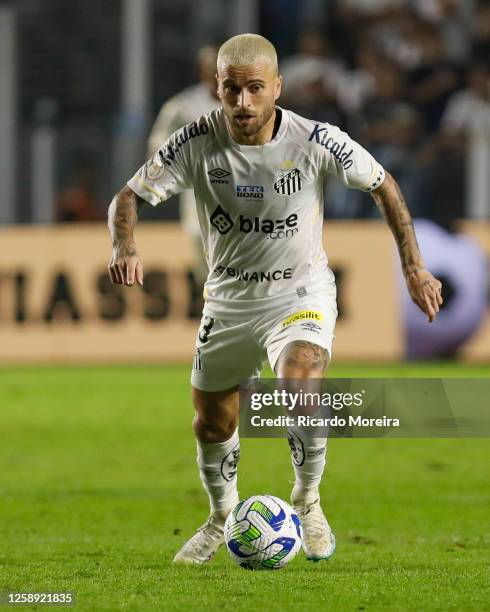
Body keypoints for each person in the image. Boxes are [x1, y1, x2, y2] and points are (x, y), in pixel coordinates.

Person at [107, 33, 443, 564]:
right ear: (216, 87)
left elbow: (383, 184)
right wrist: (125, 245)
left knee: (299, 382)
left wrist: (414, 267)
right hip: (228, 300)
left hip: (299, 292)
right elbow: (127, 197)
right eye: (231, 90)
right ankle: (221, 518)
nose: (242, 103)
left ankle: (307, 500)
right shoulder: (194, 139)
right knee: (212, 423)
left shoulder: (316, 140)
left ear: (277, 88)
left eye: (254, 89)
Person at [148, 46, 220, 284]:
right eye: (211, 71)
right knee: (199, 242)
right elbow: (158, 141)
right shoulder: (184, 106)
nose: (216, 76)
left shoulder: (244, 102)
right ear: (202, 73)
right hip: (198, 189)